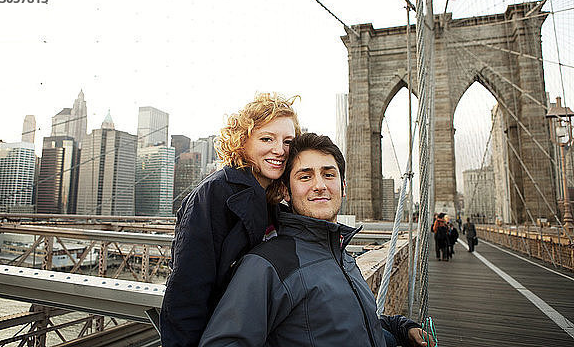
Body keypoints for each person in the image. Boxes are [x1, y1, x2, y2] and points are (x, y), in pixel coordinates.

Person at [199, 133, 436, 347]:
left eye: (329, 174)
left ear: (343, 187)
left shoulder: (342, 256)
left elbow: (348, 324)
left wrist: (400, 329)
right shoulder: (266, 265)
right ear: (286, 192)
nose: (320, 185)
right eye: (305, 176)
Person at [160, 93, 301, 347]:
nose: (280, 150)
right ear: (242, 141)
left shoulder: (274, 201)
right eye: (267, 138)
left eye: (288, 141)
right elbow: (186, 293)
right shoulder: (214, 195)